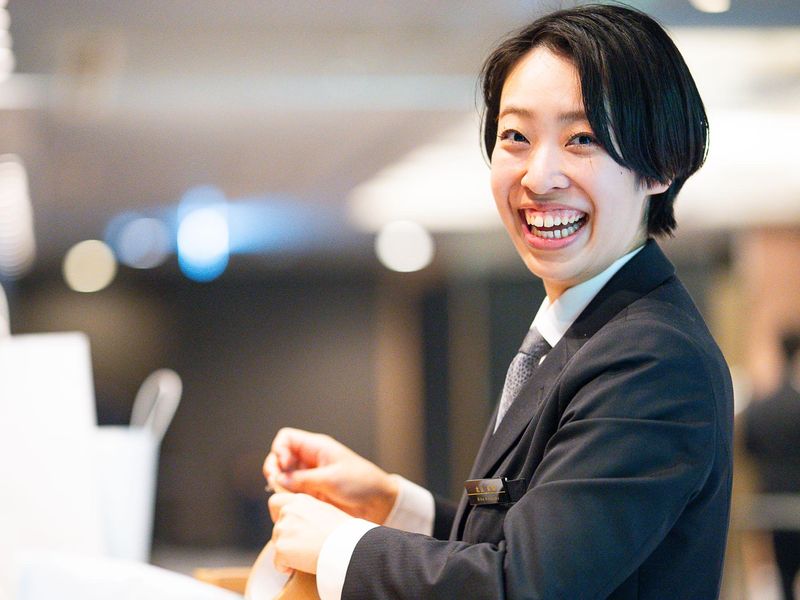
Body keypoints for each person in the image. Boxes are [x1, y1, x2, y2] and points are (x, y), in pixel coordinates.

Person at [264, 4, 734, 599]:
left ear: (661, 164)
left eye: (582, 138)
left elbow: (523, 586)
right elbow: (537, 545)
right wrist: (389, 501)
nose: (538, 177)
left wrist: (341, 546)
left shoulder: (652, 360)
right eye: (516, 136)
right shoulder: (581, 331)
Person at [742, 332, 800, 600]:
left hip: (771, 496)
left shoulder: (762, 407)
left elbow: (749, 448)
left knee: (784, 572)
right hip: (793, 495)